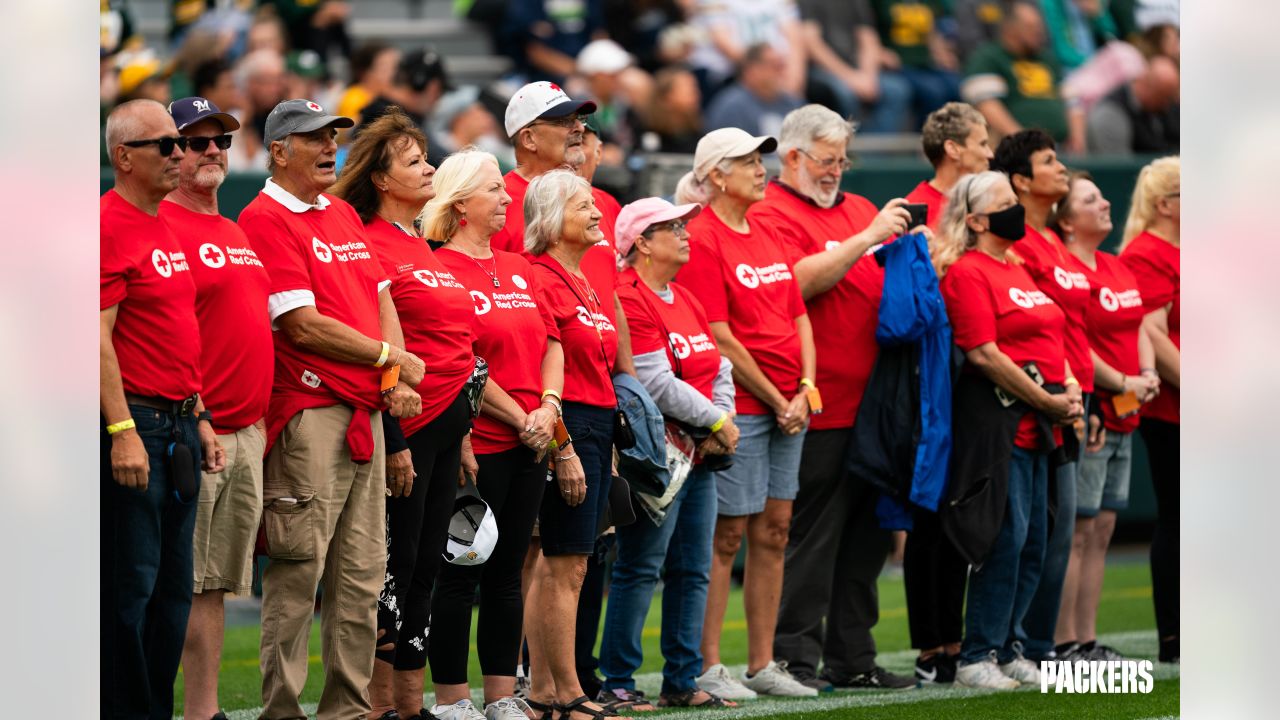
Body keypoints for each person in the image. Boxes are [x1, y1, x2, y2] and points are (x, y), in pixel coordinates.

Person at [238, 98, 427, 720]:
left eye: (332, 137)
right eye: (312, 139)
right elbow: (299, 326)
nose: (328, 149)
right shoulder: (264, 218)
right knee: (298, 573)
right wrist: (387, 358)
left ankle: (347, 709)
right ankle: (283, 710)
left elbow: (380, 299)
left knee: (362, 576)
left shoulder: (342, 213)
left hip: (364, 415)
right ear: (278, 151)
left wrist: (393, 370)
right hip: (312, 412)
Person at [742, 105, 916, 692]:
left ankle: (854, 657)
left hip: (874, 402)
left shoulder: (859, 207)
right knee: (810, 536)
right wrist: (866, 239)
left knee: (866, 542)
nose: (837, 170)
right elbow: (798, 281)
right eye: (826, 159)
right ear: (792, 157)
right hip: (816, 402)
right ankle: (792, 655)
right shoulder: (771, 213)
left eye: (843, 160)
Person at [327, 108, 478, 720]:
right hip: (403, 429)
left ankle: (409, 707)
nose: (430, 168)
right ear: (383, 180)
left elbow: (454, 345)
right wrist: (393, 437)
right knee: (390, 568)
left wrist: (463, 432)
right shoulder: (364, 242)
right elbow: (379, 344)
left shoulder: (422, 243)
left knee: (425, 570)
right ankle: (374, 705)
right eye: (415, 162)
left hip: (447, 426)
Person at [675, 128, 817, 699]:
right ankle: (709, 664)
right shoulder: (702, 237)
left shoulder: (772, 230)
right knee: (727, 534)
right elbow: (719, 336)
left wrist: (805, 387)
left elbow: (800, 315)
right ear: (715, 175)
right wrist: (779, 397)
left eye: (761, 159)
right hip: (743, 407)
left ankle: (764, 663)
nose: (762, 169)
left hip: (791, 404)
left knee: (777, 531)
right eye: (747, 162)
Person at [427, 149, 564, 720]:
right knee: (461, 577)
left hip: (531, 443)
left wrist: (549, 408)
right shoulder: (439, 269)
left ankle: (503, 697)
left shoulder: (519, 268)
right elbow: (463, 363)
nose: (509, 198)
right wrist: (523, 417)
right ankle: (453, 700)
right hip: (476, 445)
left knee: (508, 575)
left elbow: (553, 343)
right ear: (462, 205)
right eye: (495, 191)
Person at [933, 170, 1081, 690]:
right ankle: (978, 654)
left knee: (1037, 539)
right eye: (1004, 202)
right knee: (1006, 538)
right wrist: (1045, 398)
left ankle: (1011, 643)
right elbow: (984, 354)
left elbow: (1051, 335)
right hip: (1001, 426)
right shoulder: (968, 273)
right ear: (974, 220)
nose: (1016, 208)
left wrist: (1068, 388)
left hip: (1045, 425)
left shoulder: (1017, 268)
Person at [101, 98, 225, 718]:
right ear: (124, 157)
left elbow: (175, 334)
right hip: (139, 424)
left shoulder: (164, 224)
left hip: (176, 421)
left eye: (181, 144)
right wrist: (121, 429)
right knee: (131, 588)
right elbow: (95, 337)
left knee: (173, 591)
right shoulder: (105, 225)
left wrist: (199, 414)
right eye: (166, 145)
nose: (181, 154)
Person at [599, 197, 740, 709]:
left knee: (693, 568)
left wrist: (720, 420)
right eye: (671, 227)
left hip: (699, 454)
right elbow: (654, 383)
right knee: (641, 565)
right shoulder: (629, 296)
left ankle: (682, 679)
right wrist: (717, 420)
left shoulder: (684, 296)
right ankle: (618, 679)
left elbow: (718, 365)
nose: (684, 234)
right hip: (660, 457)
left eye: (683, 225)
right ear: (641, 242)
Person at [158, 97, 270, 720]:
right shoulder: (162, 227)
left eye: (221, 141)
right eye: (195, 142)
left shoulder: (234, 230)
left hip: (246, 429)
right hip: (193, 426)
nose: (211, 152)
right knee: (177, 582)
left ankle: (203, 711)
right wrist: (196, 415)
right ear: (169, 152)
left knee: (216, 585)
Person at [989, 128, 1091, 665]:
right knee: (1032, 532)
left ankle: (1039, 644)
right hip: (1036, 400)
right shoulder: (1017, 246)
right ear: (1021, 181)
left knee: (1057, 529)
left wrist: (1081, 388)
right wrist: (1061, 391)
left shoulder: (1052, 238)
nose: (1062, 167)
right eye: (1049, 161)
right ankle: (1019, 644)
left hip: (1073, 392)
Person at [524, 170, 623, 720]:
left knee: (569, 563)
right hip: (572, 424)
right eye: (582, 205)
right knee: (563, 562)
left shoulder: (579, 276)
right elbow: (546, 369)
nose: (596, 212)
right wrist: (564, 445)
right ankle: (562, 692)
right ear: (550, 218)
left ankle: (549, 690)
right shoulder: (539, 275)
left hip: (596, 425)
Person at [900, 100, 990, 684]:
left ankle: (962, 638)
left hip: (978, 377)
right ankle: (932, 642)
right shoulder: (916, 209)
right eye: (981, 141)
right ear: (953, 148)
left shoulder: (988, 203)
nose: (988, 149)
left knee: (967, 505)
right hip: (931, 374)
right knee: (929, 509)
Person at [1053, 171, 1159, 662]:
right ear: (1067, 222)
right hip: (1094, 409)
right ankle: (1063, 642)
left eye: (1100, 196)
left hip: (1126, 413)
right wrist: (1121, 382)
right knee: (1078, 528)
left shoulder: (1116, 266)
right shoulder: (1070, 273)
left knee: (1103, 529)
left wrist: (1146, 371)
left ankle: (1088, 639)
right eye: (1089, 200)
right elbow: (1077, 344)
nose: (1103, 204)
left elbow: (1138, 324)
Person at [493, 81, 637, 376]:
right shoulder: (498, 201)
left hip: (604, 388)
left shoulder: (600, 203)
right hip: (543, 388)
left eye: (578, 120)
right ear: (529, 139)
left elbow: (611, 295)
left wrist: (627, 377)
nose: (579, 129)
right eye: (563, 122)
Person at [1118, 155, 1180, 664]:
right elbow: (1153, 332)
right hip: (1177, 408)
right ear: (1165, 204)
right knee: (1180, 515)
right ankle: (1175, 635)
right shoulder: (1147, 253)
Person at [961, 0, 1084, 152]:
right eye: (1031, 27)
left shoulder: (1047, 58)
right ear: (1010, 29)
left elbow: (1073, 102)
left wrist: (1077, 139)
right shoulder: (989, 57)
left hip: (1061, 148)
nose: (1039, 32)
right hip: (1017, 151)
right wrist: (1024, 143)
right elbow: (986, 104)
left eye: (1040, 26)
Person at [798, 0, 912, 133]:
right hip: (823, 71)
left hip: (859, 73)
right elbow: (813, 46)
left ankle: (872, 150)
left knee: (897, 90)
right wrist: (851, 78)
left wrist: (869, 77)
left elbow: (868, 39)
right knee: (845, 95)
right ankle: (844, 147)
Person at [686, 0, 807, 101]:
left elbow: (794, 38)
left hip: (779, 70)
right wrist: (762, 70)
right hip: (731, 74)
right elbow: (723, 42)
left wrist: (795, 77)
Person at [868, 0, 963, 127]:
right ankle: (927, 140)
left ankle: (951, 137)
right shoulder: (879, 3)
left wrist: (941, 52)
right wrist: (880, 52)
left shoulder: (928, 3)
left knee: (956, 85)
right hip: (898, 65)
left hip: (924, 63)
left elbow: (931, 31)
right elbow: (865, 28)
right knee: (932, 92)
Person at [907, 101, 993, 229]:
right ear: (952, 149)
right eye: (982, 144)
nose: (990, 154)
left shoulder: (991, 202)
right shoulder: (913, 214)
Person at [703, 43, 803, 140]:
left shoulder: (792, 103)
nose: (781, 70)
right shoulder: (731, 108)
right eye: (775, 65)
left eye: (782, 64)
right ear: (751, 70)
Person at [1087, 54, 1179, 155]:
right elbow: (1119, 167)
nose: (1166, 106)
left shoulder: (1165, 108)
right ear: (1147, 87)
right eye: (1163, 98)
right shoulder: (1110, 115)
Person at [335, 41, 401, 127]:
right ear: (365, 71)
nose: (392, 73)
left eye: (394, 67)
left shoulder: (385, 97)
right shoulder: (354, 99)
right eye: (384, 67)